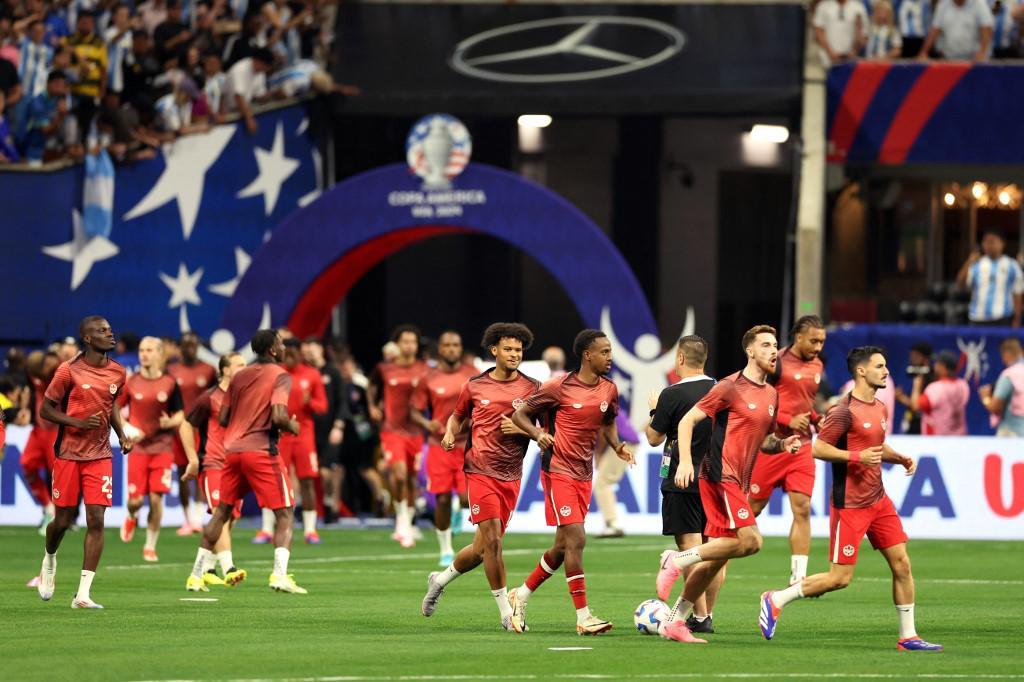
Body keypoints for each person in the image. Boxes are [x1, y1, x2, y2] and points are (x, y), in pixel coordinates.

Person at [758, 346, 943, 652]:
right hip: (850, 505)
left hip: (878, 500)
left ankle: (908, 636)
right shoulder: (843, 411)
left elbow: (876, 446)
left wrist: (898, 458)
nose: (886, 371)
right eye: (880, 366)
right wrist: (856, 455)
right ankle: (776, 598)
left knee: (902, 564)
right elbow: (818, 449)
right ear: (861, 371)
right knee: (840, 578)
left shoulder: (880, 407)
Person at [654, 325, 801, 645]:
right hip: (720, 476)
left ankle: (676, 621)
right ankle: (676, 559)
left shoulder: (771, 394)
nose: (774, 350)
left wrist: (782, 444)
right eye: (765, 345)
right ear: (750, 351)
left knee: (717, 560)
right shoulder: (729, 386)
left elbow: (765, 441)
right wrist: (687, 462)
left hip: (740, 482)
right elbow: (688, 420)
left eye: (775, 345)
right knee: (751, 542)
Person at [507, 329, 634, 636]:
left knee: (564, 546)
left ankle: (520, 595)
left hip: (584, 473)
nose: (609, 357)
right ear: (587, 355)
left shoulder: (609, 389)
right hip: (558, 470)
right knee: (577, 538)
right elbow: (519, 413)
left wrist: (616, 446)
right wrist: (538, 434)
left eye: (610, 352)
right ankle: (583, 615)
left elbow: (608, 421)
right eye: (604, 352)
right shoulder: (558, 387)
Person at [420, 323, 539, 632]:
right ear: (494, 351)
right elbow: (457, 415)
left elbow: (544, 430)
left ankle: (440, 579)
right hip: (479, 470)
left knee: (481, 549)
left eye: (519, 350)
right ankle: (505, 614)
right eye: (509, 349)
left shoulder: (533, 388)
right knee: (494, 542)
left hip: (511, 475)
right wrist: (449, 432)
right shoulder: (474, 385)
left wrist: (525, 429)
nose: (514, 354)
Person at [198, 329, 305, 593]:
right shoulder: (280, 375)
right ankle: (279, 575)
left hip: (232, 453)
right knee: (285, 512)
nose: (284, 348)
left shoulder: (240, 376)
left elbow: (223, 419)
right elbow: (279, 416)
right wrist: (291, 426)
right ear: (272, 349)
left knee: (222, 512)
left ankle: (198, 572)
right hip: (260, 451)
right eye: (280, 344)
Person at [37, 315, 132, 609]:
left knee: (97, 519)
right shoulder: (68, 371)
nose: (110, 333)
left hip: (101, 455)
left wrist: (122, 434)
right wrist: (77, 421)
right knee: (63, 520)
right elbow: (45, 410)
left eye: (110, 329)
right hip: (68, 455)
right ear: (88, 339)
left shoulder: (118, 372)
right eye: (102, 331)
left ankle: (82, 594)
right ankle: (50, 558)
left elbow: (110, 404)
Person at [646, 334, 723, 635]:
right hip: (717, 480)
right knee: (714, 550)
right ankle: (706, 615)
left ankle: (700, 615)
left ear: (680, 359)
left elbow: (653, 439)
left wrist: (655, 409)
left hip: (683, 478)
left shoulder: (671, 394)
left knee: (690, 547)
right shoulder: (721, 390)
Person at [748, 315, 827, 586]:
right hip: (770, 446)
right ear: (799, 337)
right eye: (814, 341)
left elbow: (804, 402)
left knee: (802, 508)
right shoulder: (776, 362)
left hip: (802, 446)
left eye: (822, 342)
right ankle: (717, 551)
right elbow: (757, 400)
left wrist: (816, 418)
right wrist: (786, 420)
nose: (818, 347)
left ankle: (798, 577)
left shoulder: (817, 364)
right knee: (752, 508)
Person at [410, 330, 478, 566]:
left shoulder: (473, 375)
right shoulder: (428, 378)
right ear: (440, 349)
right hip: (439, 445)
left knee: (466, 499)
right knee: (440, 499)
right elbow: (414, 410)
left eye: (455, 345)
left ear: (460, 348)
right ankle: (446, 549)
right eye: (447, 345)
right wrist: (425, 422)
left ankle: (459, 515)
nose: (451, 349)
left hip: (467, 444)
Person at [181, 352, 248, 591]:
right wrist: (192, 459)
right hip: (213, 464)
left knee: (228, 519)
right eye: (240, 365)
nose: (245, 368)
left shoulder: (245, 397)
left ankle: (203, 571)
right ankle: (228, 567)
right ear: (226, 370)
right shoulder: (209, 398)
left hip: (236, 466)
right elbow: (186, 425)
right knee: (222, 514)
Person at [119, 336, 187, 562]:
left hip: (163, 448)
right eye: (141, 350)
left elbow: (180, 414)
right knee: (136, 500)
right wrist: (129, 428)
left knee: (156, 499)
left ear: (159, 354)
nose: (144, 354)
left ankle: (150, 545)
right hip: (138, 449)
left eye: (149, 350)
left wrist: (172, 422)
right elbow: (116, 412)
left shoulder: (169, 383)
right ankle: (131, 515)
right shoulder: (131, 382)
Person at [368, 324, 428, 547]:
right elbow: (371, 386)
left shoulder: (424, 369)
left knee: (412, 479)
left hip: (415, 431)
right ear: (398, 344)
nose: (409, 346)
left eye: (413, 342)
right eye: (405, 341)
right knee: (399, 475)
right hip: (392, 430)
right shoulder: (385, 369)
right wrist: (373, 407)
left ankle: (408, 522)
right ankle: (402, 523)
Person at [274, 338, 327, 544]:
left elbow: (323, 406)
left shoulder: (312, 374)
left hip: (304, 435)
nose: (292, 355)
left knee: (307, 481)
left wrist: (310, 402)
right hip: (281, 435)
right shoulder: (276, 374)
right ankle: (267, 529)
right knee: (276, 481)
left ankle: (310, 529)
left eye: (296, 351)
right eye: (288, 351)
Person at [168, 331, 218, 535]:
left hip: (200, 428)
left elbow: (217, 396)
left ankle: (198, 518)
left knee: (200, 471)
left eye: (193, 344)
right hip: (178, 430)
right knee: (182, 472)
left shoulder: (208, 370)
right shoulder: (171, 370)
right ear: (181, 347)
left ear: (198, 346)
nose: (190, 348)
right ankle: (187, 519)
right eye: (186, 344)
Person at [300, 336, 347, 523]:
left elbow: (341, 401)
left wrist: (338, 425)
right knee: (304, 473)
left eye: (312, 349)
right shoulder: (303, 372)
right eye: (306, 351)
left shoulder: (332, 372)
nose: (309, 353)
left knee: (327, 472)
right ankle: (300, 508)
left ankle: (329, 503)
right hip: (308, 430)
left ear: (321, 350)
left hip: (329, 429)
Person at [19, 351, 60, 534]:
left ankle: (60, 515)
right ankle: (47, 506)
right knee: (27, 465)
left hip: (56, 431)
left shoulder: (60, 374)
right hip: (38, 432)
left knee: (58, 476)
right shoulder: (34, 374)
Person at [956, 228, 1023, 327]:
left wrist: (1017, 319)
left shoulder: (1012, 265)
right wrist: (969, 262)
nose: (988, 245)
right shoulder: (976, 264)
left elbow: (1017, 293)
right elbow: (960, 284)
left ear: (1002, 243)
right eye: (985, 242)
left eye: (992, 241)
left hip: (1002, 318)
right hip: (977, 318)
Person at [908, 350, 970, 435]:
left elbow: (915, 406)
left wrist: (916, 386)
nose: (935, 366)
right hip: (959, 439)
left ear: (943, 367)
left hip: (938, 442)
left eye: (937, 363)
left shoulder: (936, 388)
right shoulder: (963, 385)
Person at [919, 0, 994, 60]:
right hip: (949, 58)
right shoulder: (943, 5)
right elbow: (934, 30)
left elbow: (986, 29)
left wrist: (982, 52)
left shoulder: (979, 4)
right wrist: (924, 51)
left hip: (973, 59)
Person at [980, 337, 1024, 436]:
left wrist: (985, 397)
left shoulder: (1009, 375)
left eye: (1002, 356)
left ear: (1007, 354)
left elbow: (995, 407)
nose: (1002, 360)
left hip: (1012, 432)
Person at [813, 0, 869, 66]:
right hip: (828, 58)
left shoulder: (858, 7)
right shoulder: (823, 6)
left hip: (851, 59)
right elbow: (818, 31)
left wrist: (854, 51)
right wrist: (829, 52)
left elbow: (865, 33)